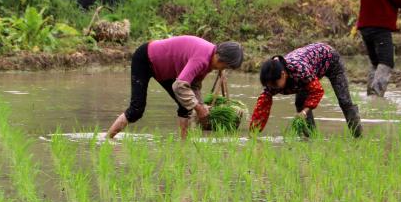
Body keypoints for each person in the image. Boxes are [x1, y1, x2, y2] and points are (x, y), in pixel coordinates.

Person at [105, 35, 244, 140]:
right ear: (219, 57)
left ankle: (184, 144)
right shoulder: (202, 58)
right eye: (225, 66)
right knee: (136, 110)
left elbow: (194, 85)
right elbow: (179, 86)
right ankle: (107, 140)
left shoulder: (209, 60)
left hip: (165, 70)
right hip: (146, 58)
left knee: (186, 106)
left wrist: (200, 105)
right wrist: (199, 108)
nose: (222, 69)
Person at [249, 43, 363, 138]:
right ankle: (310, 138)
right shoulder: (273, 78)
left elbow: (317, 91)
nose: (272, 88)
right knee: (300, 103)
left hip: (331, 59)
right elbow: (262, 107)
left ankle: (358, 137)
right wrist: (253, 133)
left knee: (344, 101)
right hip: (310, 65)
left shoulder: (299, 71)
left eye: (275, 85)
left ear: (283, 74)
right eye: (269, 85)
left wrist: (304, 112)